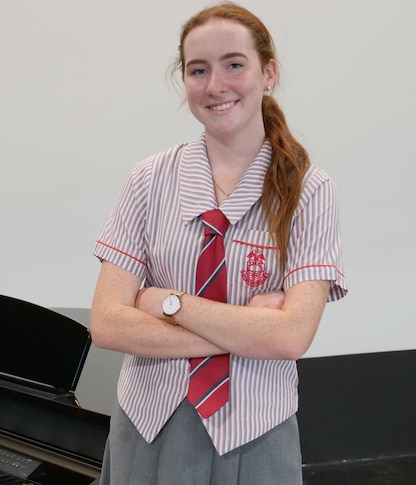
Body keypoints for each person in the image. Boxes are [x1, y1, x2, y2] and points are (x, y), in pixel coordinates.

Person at [89, 2, 347, 483]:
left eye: (234, 64)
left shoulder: (311, 191)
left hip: (254, 432)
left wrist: (164, 303)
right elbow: (106, 324)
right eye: (198, 70)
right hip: (147, 426)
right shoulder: (148, 180)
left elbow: (290, 337)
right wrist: (249, 329)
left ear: (268, 73)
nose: (215, 85)